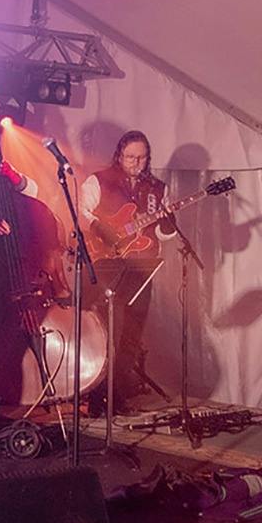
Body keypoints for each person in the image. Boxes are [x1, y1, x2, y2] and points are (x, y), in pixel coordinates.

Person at [79, 129, 171, 409]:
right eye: (130, 157)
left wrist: (168, 222)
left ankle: (117, 393)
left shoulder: (158, 188)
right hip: (107, 264)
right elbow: (81, 213)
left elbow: (165, 234)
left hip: (142, 267)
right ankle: (96, 394)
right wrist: (103, 230)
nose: (136, 163)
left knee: (132, 332)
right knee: (107, 332)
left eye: (142, 158)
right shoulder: (99, 180)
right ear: (119, 155)